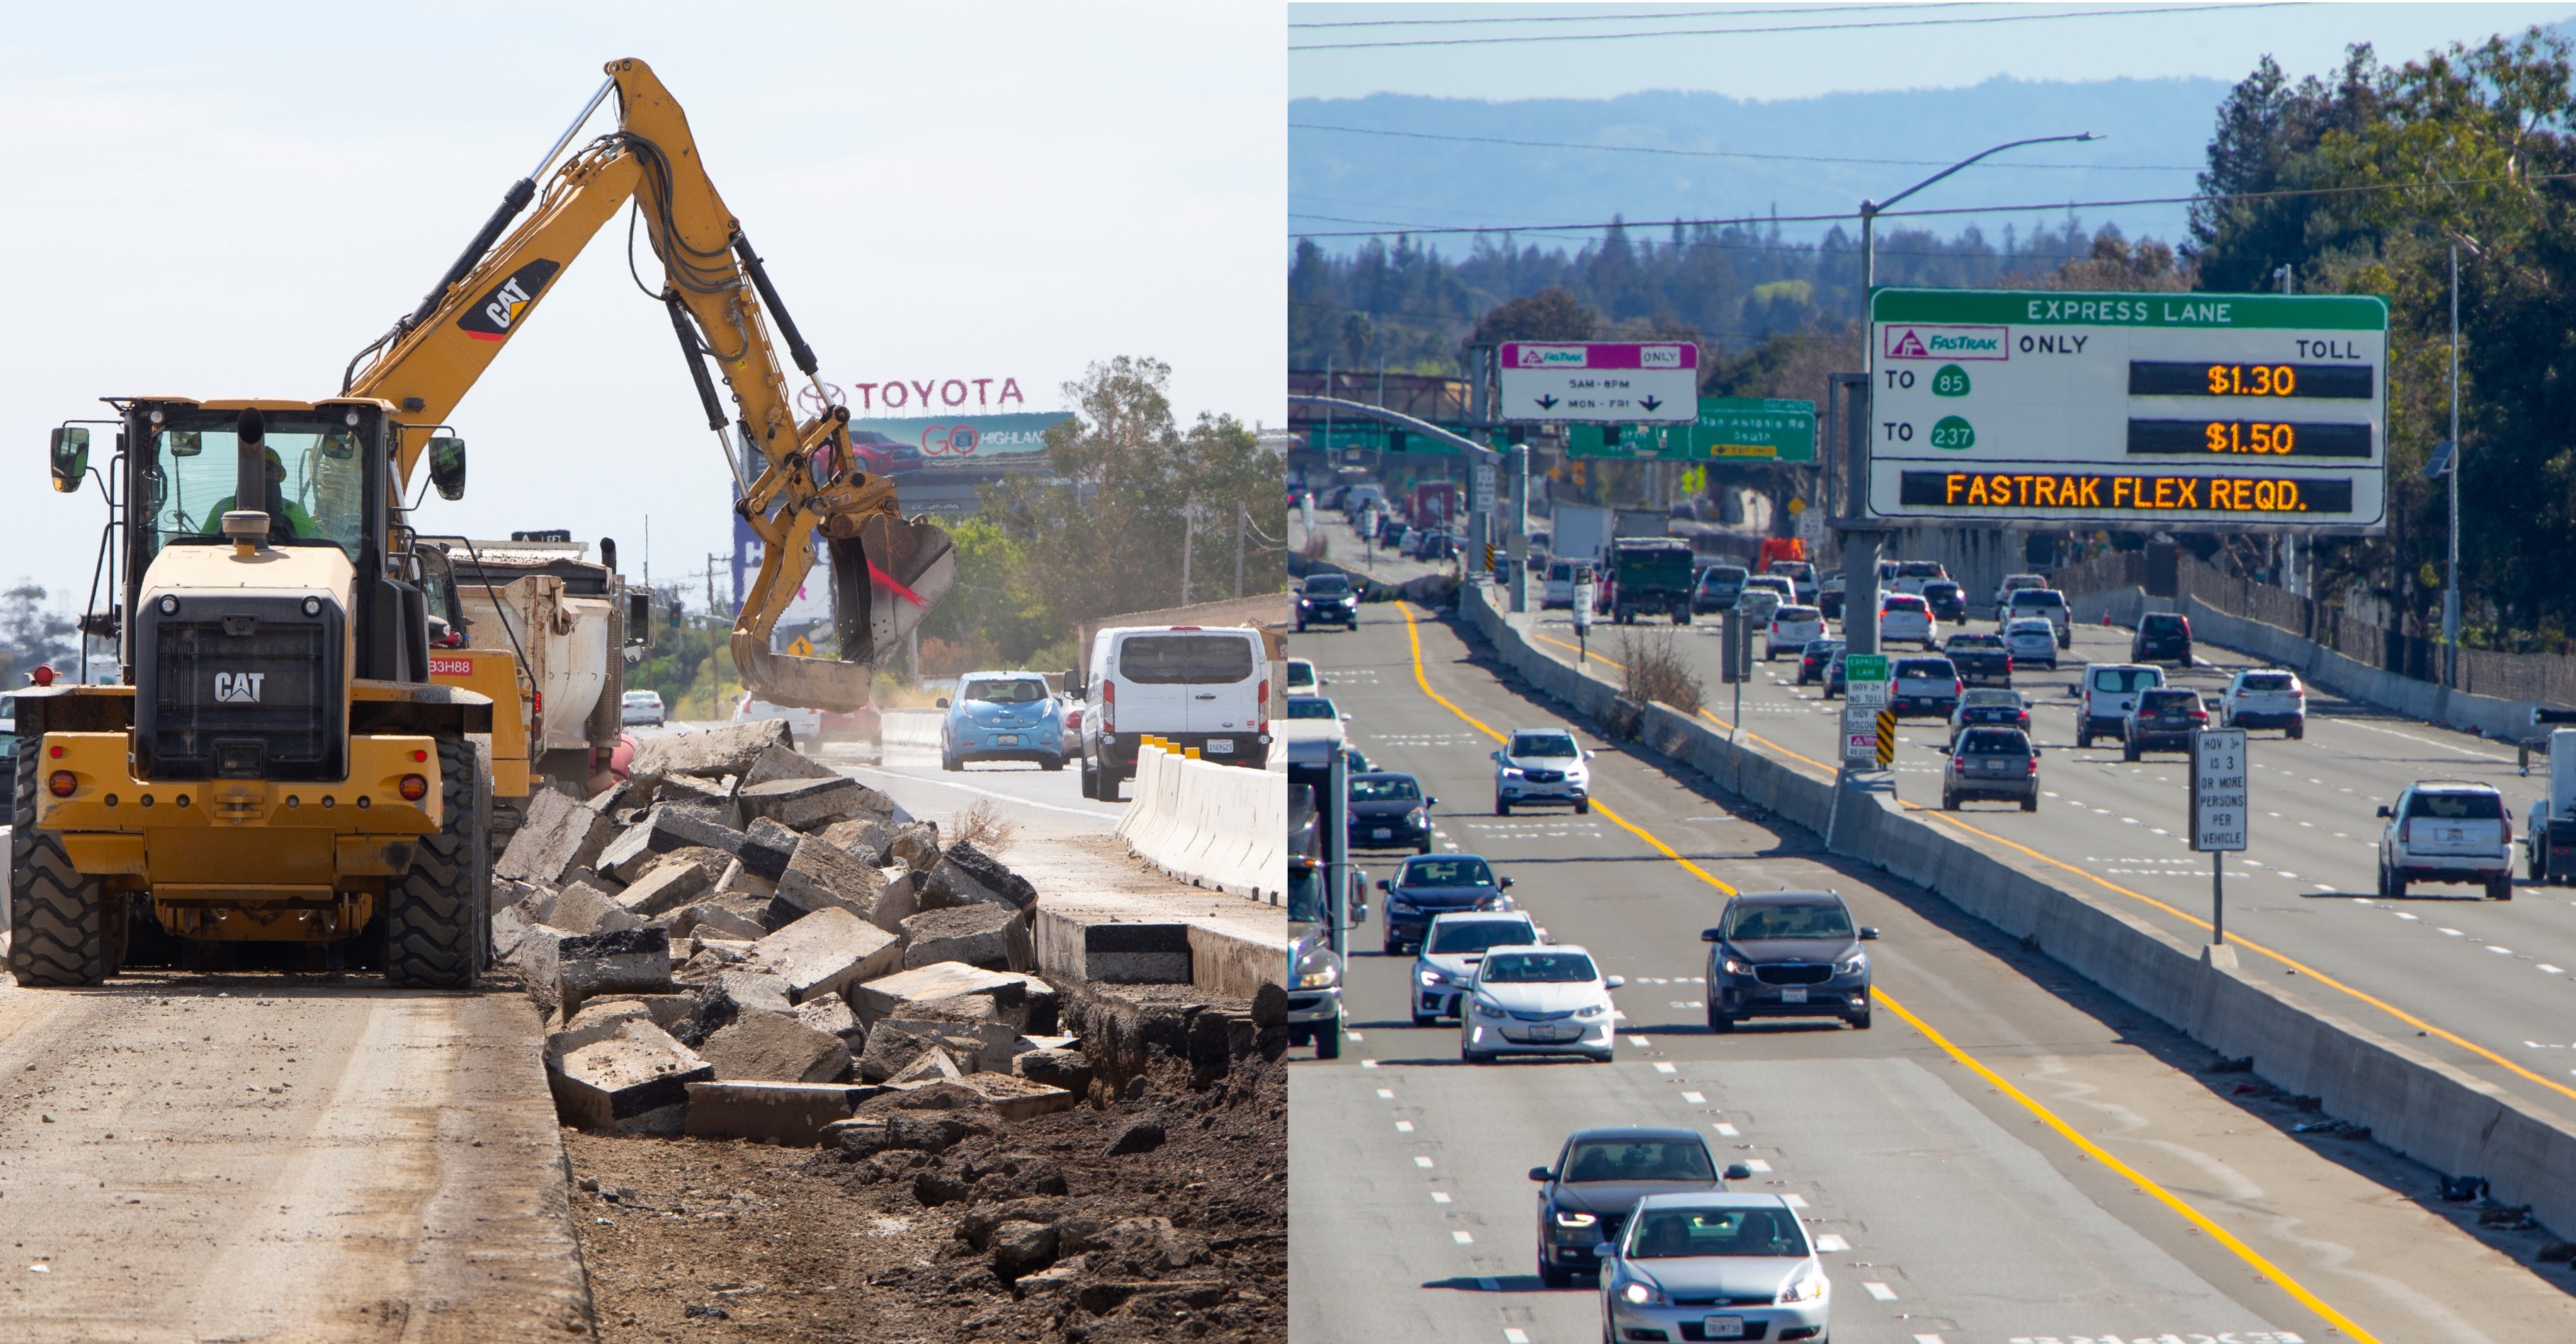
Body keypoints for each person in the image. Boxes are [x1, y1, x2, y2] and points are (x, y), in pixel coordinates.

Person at [203, 446, 317, 540]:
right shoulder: (222, 507)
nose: (261, 473)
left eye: (267, 469)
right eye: (256, 468)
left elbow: (322, 547)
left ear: (278, 475)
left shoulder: (292, 511)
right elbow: (202, 544)